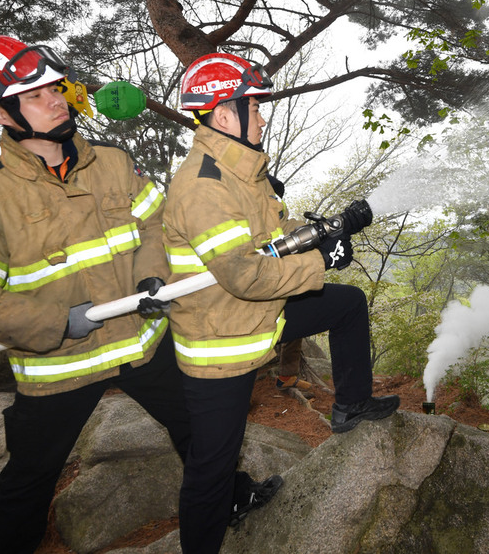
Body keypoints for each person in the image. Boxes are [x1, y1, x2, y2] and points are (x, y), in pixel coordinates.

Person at [0, 35, 275, 554]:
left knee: (200, 433)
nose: (57, 101)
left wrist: (150, 277)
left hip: (141, 343)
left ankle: (229, 498)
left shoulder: (112, 163)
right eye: (37, 97)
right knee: (30, 478)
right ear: (2, 115)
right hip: (61, 365)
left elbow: (155, 221)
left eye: (56, 90)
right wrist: (53, 323)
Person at [164, 52, 400, 554]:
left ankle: (352, 406)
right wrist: (321, 262)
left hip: (256, 315)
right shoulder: (203, 186)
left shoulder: (239, 172)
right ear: (224, 114)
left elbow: (270, 237)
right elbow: (246, 273)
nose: (264, 115)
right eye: (255, 106)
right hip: (222, 340)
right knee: (211, 469)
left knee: (347, 304)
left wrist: (331, 229)